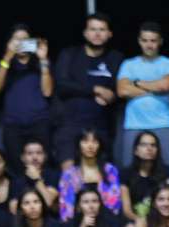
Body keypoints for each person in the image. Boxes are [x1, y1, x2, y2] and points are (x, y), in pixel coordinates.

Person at [51, 13, 123, 169]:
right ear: (85, 33)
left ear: (109, 34)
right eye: (93, 29)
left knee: (101, 177)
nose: (97, 33)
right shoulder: (69, 55)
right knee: (71, 177)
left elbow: (118, 88)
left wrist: (112, 95)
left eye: (102, 29)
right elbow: (62, 85)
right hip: (70, 125)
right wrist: (95, 89)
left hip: (101, 127)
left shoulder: (115, 58)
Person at [114, 22, 169, 168]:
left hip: (163, 124)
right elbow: (122, 91)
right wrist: (154, 87)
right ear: (139, 41)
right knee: (130, 170)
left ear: (160, 41)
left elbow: (166, 85)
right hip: (134, 125)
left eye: (153, 41)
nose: (149, 45)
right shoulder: (128, 64)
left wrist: (136, 83)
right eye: (145, 40)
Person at [0, 25, 53, 169]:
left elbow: (48, 92)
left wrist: (43, 59)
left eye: (25, 39)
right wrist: (7, 56)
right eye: (17, 39)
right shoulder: (6, 64)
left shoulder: (40, 63)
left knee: (43, 164)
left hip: (39, 122)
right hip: (13, 125)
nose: (21, 43)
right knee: (15, 165)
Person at [58, 129, 122, 220]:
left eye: (94, 141)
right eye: (85, 141)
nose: (90, 146)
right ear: (78, 144)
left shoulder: (110, 170)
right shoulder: (69, 174)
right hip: (77, 223)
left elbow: (115, 204)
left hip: (106, 222)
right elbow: (65, 208)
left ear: (100, 145)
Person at [120, 131, 169, 219]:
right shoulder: (126, 174)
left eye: (153, 145)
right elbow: (127, 211)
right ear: (136, 150)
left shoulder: (166, 173)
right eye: (144, 145)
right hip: (135, 220)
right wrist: (141, 221)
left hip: (160, 219)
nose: (149, 148)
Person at [11, 140, 61, 210]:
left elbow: (48, 202)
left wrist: (37, 179)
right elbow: (13, 209)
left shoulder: (54, 175)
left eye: (39, 153)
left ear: (45, 156)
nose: (35, 157)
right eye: (29, 153)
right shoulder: (17, 180)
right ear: (23, 158)